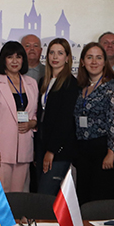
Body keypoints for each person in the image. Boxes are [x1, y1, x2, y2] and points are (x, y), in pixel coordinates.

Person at [0, 41, 38, 193]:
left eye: (18, 57)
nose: (14, 61)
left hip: (23, 150)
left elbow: (35, 113)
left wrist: (32, 123)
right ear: (3, 59)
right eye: (10, 57)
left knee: (19, 197)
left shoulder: (31, 83)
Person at [74, 42, 114, 203]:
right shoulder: (81, 88)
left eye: (98, 58)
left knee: (99, 201)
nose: (94, 62)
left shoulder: (113, 88)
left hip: (104, 150)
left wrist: (112, 153)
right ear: (82, 62)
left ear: (105, 62)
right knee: (83, 200)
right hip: (83, 151)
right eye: (89, 57)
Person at [35, 38, 78, 196]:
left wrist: (52, 150)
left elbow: (64, 121)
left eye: (60, 53)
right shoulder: (44, 81)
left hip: (58, 151)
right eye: (52, 52)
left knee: (45, 195)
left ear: (67, 58)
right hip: (42, 146)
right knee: (40, 193)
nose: (55, 57)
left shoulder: (70, 83)